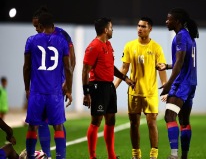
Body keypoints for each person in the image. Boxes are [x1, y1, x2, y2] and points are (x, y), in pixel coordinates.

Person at [114, 17, 167, 159]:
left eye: (143, 26)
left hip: (150, 93)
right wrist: (114, 85)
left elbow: (161, 68)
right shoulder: (130, 46)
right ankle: (136, 154)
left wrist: (166, 88)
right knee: (134, 124)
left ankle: (153, 155)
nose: (139, 29)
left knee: (151, 123)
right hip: (134, 92)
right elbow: (124, 68)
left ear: (150, 29)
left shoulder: (156, 47)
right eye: (138, 26)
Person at [82, 17, 134, 159]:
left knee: (111, 120)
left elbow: (111, 67)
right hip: (97, 87)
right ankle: (92, 156)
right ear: (106, 29)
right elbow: (85, 70)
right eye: (111, 27)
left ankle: (112, 156)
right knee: (96, 121)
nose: (112, 30)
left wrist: (125, 78)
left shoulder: (108, 45)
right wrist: (86, 93)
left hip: (109, 87)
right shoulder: (94, 46)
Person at [23, 12, 73, 159]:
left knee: (33, 126)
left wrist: (27, 88)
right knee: (58, 126)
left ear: (40, 25)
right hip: (55, 93)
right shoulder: (62, 41)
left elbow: (26, 67)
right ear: (53, 25)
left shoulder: (31, 41)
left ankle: (31, 156)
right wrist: (69, 89)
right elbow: (68, 68)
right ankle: (60, 157)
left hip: (37, 92)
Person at [156, 8, 199, 159]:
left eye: (169, 19)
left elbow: (180, 62)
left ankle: (174, 155)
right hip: (191, 83)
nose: (166, 21)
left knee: (169, 116)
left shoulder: (180, 36)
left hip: (181, 84)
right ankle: (184, 156)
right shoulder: (189, 36)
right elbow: (183, 61)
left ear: (177, 21)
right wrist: (167, 66)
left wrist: (168, 84)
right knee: (184, 121)